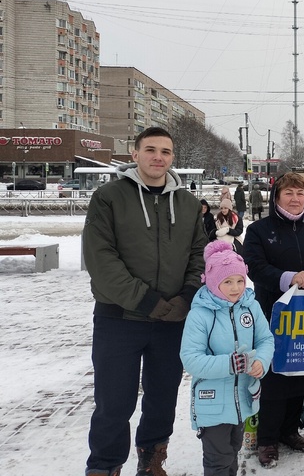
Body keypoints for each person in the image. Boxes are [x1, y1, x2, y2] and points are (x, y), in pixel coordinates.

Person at [83, 126, 207, 476]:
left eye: (165, 152)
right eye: (150, 149)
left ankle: (152, 460)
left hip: (172, 321)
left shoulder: (186, 203)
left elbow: (199, 254)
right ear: (134, 154)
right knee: (114, 401)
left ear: (172, 158)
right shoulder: (109, 197)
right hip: (119, 318)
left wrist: (186, 297)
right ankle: (105, 466)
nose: (158, 157)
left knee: (162, 398)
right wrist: (147, 301)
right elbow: (101, 259)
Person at [242, 172, 304, 469]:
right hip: (272, 316)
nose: (295, 199)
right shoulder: (259, 230)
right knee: (274, 378)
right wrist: (288, 279)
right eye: (288, 193)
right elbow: (254, 268)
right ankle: (267, 438)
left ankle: (288, 430)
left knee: (302, 373)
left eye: (300, 193)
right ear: (276, 197)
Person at [180, 240, 274, 476]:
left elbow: (266, 339)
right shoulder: (200, 315)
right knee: (218, 461)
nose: (236, 288)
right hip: (212, 404)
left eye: (240, 280)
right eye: (228, 282)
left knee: (233, 451)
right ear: (213, 282)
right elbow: (190, 358)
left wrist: (261, 362)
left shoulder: (250, 307)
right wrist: (230, 364)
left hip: (242, 400)